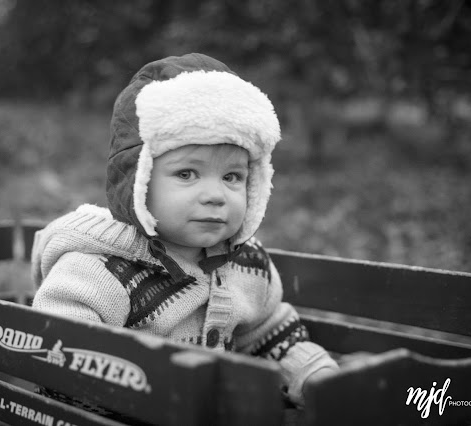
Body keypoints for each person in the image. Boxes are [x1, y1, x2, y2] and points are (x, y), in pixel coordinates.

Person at [31, 53, 338, 410]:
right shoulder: (99, 270)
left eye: (232, 177)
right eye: (186, 174)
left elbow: (268, 331)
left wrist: (314, 375)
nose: (214, 196)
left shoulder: (248, 263)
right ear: (138, 182)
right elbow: (63, 352)